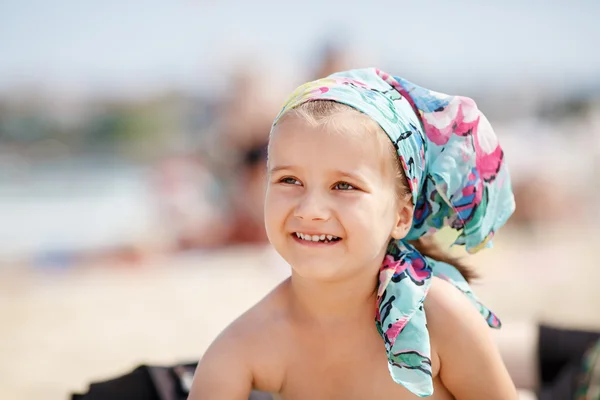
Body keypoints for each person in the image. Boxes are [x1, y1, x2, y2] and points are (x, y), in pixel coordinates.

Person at [188, 68, 518, 399]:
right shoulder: (241, 350)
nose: (311, 209)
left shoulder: (441, 320)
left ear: (401, 216)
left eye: (344, 185)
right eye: (289, 180)